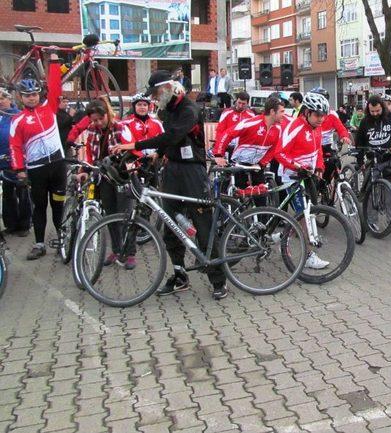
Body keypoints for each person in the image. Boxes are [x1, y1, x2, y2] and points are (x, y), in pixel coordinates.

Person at [113, 70, 228, 300]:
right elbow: (167, 139)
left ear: (168, 88)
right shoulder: (167, 110)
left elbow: (172, 136)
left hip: (193, 172)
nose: (155, 98)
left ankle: (219, 281)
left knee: (203, 227)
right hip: (173, 170)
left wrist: (134, 144)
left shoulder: (189, 109)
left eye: (156, 93)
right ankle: (179, 275)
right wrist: (158, 154)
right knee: (170, 226)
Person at [9, 52, 66, 260]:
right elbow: (14, 146)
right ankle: (40, 244)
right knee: (40, 207)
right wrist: (20, 170)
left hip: (58, 166)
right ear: (21, 97)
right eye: (27, 95)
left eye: (34, 94)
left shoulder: (49, 107)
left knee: (58, 205)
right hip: (36, 169)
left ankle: (62, 241)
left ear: (39, 94)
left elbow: (55, 87)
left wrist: (53, 61)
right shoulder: (18, 119)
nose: (32, 97)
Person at [79, 98, 138, 269]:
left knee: (127, 214)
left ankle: (130, 253)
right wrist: (84, 170)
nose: (97, 123)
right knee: (110, 215)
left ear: (107, 114)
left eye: (100, 119)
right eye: (94, 120)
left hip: (123, 176)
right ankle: (116, 250)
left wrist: (127, 166)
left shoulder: (121, 127)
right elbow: (90, 153)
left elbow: (133, 150)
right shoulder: (91, 130)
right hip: (105, 178)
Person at [273, 92, 329, 270]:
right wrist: (297, 167)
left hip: (309, 175)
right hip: (293, 176)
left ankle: (281, 235)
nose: (321, 119)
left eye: (323, 115)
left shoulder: (317, 127)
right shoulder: (295, 127)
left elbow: (318, 149)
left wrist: (320, 167)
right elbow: (279, 153)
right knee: (304, 215)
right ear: (306, 112)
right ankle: (308, 256)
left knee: (309, 211)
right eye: (317, 115)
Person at [212, 97, 285, 201]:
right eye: (282, 111)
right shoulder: (251, 123)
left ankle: (261, 216)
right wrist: (219, 155)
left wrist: (262, 164)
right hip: (239, 164)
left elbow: (273, 149)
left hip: (256, 166)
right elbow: (227, 134)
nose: (284, 114)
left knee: (261, 198)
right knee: (238, 199)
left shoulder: (278, 129)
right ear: (273, 111)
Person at [355, 94, 391, 232]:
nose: (375, 114)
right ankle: (371, 221)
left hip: (390, 160)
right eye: (372, 111)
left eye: (377, 111)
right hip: (373, 160)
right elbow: (359, 142)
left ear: (382, 107)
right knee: (371, 192)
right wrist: (360, 160)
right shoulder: (365, 121)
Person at [0, 87, 30, 237]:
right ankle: (10, 224)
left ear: (9, 99)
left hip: (17, 161)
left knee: (23, 192)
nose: (0, 102)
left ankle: (24, 225)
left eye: (2, 98)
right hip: (2, 162)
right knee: (7, 194)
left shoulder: (17, 115)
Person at [307, 88, 351, 185]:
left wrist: (344, 136)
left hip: (327, 145)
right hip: (312, 146)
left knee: (334, 162)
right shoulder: (307, 114)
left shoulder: (332, 114)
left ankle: (326, 184)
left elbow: (341, 128)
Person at [212, 91, 255, 157]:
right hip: (228, 144)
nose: (240, 106)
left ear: (247, 103)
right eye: (239, 103)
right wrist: (219, 149)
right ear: (236, 101)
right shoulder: (227, 113)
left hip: (243, 147)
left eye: (243, 104)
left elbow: (253, 133)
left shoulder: (251, 115)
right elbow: (220, 131)